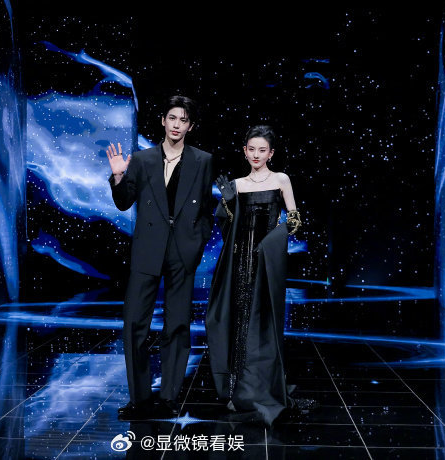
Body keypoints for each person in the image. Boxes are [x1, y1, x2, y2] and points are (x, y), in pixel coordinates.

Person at [107, 95, 214, 420]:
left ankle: (168, 397)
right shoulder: (142, 159)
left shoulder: (203, 160)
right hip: (148, 249)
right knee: (134, 324)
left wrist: (196, 244)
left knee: (177, 325)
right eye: (172, 118)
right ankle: (139, 399)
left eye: (184, 120)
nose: (177, 125)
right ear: (163, 121)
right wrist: (118, 176)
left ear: (191, 126)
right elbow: (124, 202)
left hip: (182, 251)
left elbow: (206, 209)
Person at [206, 125, 302, 426]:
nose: (256, 155)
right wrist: (227, 203)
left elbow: (294, 222)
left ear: (271, 153)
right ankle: (239, 390)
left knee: (263, 322)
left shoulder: (281, 179)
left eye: (262, 150)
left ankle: (263, 387)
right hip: (240, 264)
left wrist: (271, 242)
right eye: (252, 149)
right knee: (240, 322)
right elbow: (228, 228)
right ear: (244, 151)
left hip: (267, 263)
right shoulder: (237, 184)